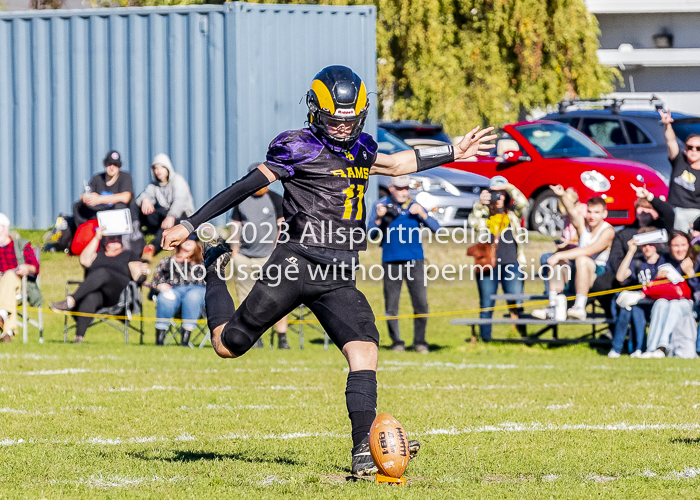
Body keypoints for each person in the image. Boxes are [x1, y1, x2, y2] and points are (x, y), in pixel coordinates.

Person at [160, 65, 496, 476]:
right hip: (294, 265)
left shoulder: (363, 148)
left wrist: (452, 152)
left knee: (365, 351)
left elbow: (394, 165)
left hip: (338, 275)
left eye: (349, 121)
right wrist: (191, 223)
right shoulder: (296, 147)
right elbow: (244, 187)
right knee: (228, 345)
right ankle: (215, 268)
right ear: (316, 112)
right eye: (335, 121)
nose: (341, 129)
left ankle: (361, 452)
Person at [367, 175, 441, 353]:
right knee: (391, 305)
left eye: (406, 188)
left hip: (415, 261)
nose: (403, 192)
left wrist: (423, 214)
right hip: (391, 262)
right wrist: (378, 219)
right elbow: (370, 234)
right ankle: (397, 342)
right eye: (400, 188)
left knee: (421, 304)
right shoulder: (381, 205)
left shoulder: (414, 206)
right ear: (391, 188)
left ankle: (420, 341)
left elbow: (437, 228)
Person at [590, 184, 675, 321]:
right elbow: (615, 259)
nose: (644, 211)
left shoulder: (662, 228)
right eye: (640, 207)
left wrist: (649, 197)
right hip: (631, 275)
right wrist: (628, 274)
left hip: (657, 275)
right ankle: (612, 323)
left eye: (648, 208)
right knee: (601, 283)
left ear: (655, 211)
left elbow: (669, 212)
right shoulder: (624, 233)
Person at [50, 228, 149, 343]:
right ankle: (78, 338)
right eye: (111, 238)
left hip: (118, 295)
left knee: (103, 273)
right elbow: (84, 260)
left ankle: (71, 300)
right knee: (91, 297)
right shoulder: (97, 255)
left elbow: (138, 277)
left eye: (117, 238)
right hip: (99, 296)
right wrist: (97, 237)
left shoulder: (128, 255)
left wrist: (144, 272)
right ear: (104, 240)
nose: (115, 240)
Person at [532, 186, 615, 320]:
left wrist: (558, 254)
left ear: (604, 214)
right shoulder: (584, 227)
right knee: (559, 263)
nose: (592, 216)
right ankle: (553, 306)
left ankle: (579, 307)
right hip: (577, 271)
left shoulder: (608, 231)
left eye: (596, 212)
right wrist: (563, 194)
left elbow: (588, 251)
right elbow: (571, 211)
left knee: (580, 259)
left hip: (596, 275)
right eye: (589, 212)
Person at [230, 163, 288, 349]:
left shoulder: (276, 199)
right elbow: (235, 226)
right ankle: (253, 337)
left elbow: (282, 227)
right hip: (244, 258)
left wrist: (276, 251)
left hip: (268, 257)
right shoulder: (242, 201)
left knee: (277, 297)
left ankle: (282, 338)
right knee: (246, 299)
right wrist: (234, 251)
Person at [467, 177, 529, 341]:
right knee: (486, 303)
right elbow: (472, 223)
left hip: (512, 263)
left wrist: (510, 187)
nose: (499, 197)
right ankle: (486, 338)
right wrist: (479, 205)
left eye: (502, 194)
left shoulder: (513, 213)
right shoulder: (483, 214)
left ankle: (521, 337)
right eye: (495, 193)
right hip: (487, 265)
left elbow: (524, 203)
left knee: (516, 302)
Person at [641, 231, 700, 358]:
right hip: (665, 299)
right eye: (676, 246)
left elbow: (698, 290)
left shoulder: (696, 260)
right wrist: (657, 277)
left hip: (689, 303)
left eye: (683, 245)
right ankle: (651, 348)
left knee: (675, 305)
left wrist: (691, 274)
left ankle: (662, 347)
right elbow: (651, 284)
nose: (680, 249)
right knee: (660, 304)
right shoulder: (663, 259)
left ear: (689, 245)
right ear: (669, 246)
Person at [607, 227, 664, 358]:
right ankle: (622, 349)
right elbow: (620, 277)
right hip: (641, 302)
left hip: (657, 302)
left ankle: (636, 348)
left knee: (635, 308)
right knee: (629, 310)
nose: (647, 248)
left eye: (651, 244)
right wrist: (631, 252)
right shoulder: (638, 262)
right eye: (644, 245)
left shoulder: (663, 261)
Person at [150, 234, 206, 346]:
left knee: (192, 297)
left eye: (193, 238)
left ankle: (185, 340)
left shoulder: (204, 261)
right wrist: (159, 286)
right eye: (185, 238)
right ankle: (160, 339)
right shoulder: (167, 261)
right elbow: (155, 282)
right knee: (165, 297)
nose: (189, 240)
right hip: (175, 291)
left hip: (198, 292)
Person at [137, 153, 195, 256]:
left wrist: (171, 216)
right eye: (156, 168)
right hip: (164, 214)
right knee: (143, 210)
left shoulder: (178, 180)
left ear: (168, 168)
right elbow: (141, 198)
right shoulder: (154, 184)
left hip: (182, 215)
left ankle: (153, 248)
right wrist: (145, 199)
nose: (158, 171)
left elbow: (179, 202)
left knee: (169, 224)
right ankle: (136, 236)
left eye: (162, 167)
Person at [0, 213, 40, 343]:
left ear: (4, 228)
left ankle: (2, 315)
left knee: (10, 276)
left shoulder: (20, 245)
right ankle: (8, 332)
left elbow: (35, 267)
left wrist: (27, 268)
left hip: (19, 284)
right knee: (7, 292)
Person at [658, 109, 700, 232]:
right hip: (676, 210)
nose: (693, 151)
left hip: (696, 212)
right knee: (678, 216)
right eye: (690, 147)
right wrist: (667, 124)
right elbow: (671, 141)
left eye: (698, 148)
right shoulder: (680, 161)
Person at [73, 150, 136, 227]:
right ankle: (84, 231)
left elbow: (125, 197)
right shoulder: (97, 178)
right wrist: (85, 198)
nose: (112, 167)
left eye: (115, 164)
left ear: (119, 166)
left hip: (114, 211)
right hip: (98, 211)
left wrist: (100, 199)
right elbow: (84, 194)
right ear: (105, 164)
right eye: (109, 164)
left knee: (120, 207)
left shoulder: (125, 177)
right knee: (77, 206)